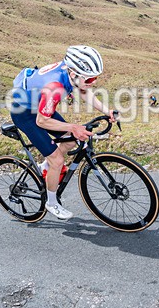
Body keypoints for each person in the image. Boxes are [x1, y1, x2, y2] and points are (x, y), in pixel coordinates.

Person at [11, 46, 117, 220]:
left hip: (41, 108)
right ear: (74, 74)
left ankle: (46, 166)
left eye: (95, 78)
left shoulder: (70, 72)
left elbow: (83, 92)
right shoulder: (55, 87)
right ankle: (51, 203)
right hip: (25, 115)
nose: (94, 82)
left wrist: (107, 111)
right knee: (58, 160)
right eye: (90, 79)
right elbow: (41, 121)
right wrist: (73, 127)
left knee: (70, 141)